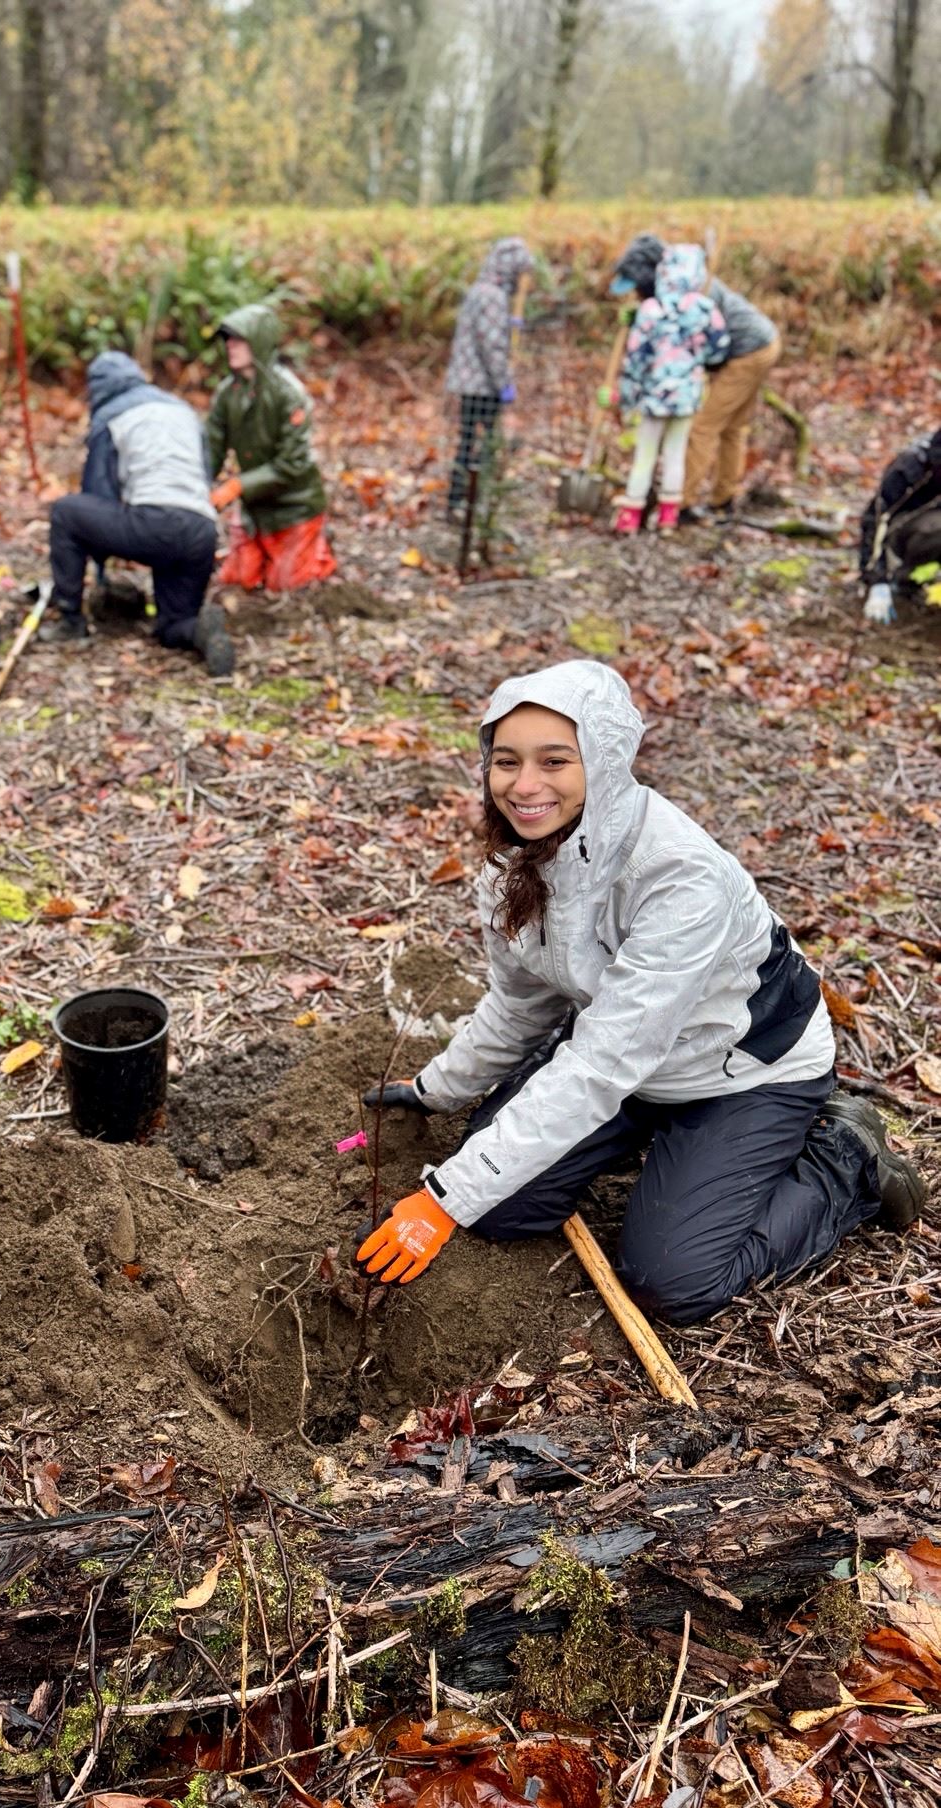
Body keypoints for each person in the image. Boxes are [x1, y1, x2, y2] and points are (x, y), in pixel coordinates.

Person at [357, 659, 925, 1320]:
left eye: (555, 761)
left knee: (671, 1280)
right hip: (631, 1055)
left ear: (601, 762)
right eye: (506, 761)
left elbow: (601, 1065)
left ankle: (844, 1160)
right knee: (502, 1205)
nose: (525, 785)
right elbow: (521, 1004)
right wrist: (435, 1090)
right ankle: (665, 1148)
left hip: (741, 1071)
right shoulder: (517, 860)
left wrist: (441, 1199)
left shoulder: (679, 875)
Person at [46, 351, 234, 677]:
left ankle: (70, 622)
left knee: (66, 512)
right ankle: (201, 631)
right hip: (201, 530)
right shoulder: (183, 411)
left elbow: (98, 493)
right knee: (171, 627)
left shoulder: (112, 416)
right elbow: (205, 471)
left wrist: (102, 565)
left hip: (154, 524)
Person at [610, 232, 781, 519]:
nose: (636, 293)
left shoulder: (696, 295)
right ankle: (723, 499)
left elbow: (680, 346)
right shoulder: (686, 281)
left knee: (704, 427)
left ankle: (683, 505)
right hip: (763, 342)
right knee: (732, 428)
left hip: (747, 352)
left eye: (638, 287)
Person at [204, 304, 336, 593]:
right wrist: (197, 487)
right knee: (238, 581)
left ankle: (319, 549)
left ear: (259, 342)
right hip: (255, 510)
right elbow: (211, 448)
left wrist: (237, 486)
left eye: (239, 340)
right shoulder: (227, 393)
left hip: (294, 505)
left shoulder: (288, 393)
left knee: (287, 584)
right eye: (228, 340)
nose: (231, 347)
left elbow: (293, 463)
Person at [612, 244, 728, 535]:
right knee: (676, 454)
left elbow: (636, 357)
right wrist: (696, 360)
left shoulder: (652, 309)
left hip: (655, 396)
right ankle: (667, 518)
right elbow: (719, 349)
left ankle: (630, 516)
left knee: (646, 454)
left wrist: (628, 395)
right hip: (687, 395)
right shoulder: (705, 308)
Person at [443, 236, 533, 514]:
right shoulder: (493, 296)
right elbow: (491, 346)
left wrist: (508, 324)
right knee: (484, 441)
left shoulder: (481, 290)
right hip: (482, 386)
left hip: (468, 382)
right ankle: (471, 500)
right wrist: (503, 383)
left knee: (468, 438)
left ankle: (460, 499)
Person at [857, 425, 941, 624]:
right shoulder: (909, 469)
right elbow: (874, 522)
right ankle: (904, 580)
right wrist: (878, 581)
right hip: (905, 534)